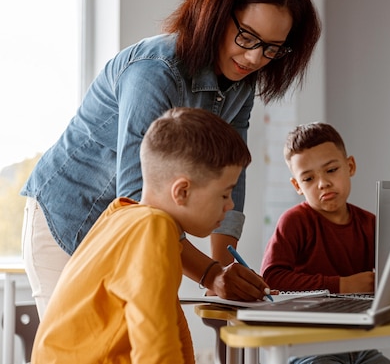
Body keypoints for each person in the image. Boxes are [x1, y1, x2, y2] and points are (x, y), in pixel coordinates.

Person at [20, 0, 321, 317]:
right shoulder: (154, 72)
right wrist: (211, 275)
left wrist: (227, 267)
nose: (255, 58)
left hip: (132, 231)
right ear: (214, 13)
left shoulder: (241, 82)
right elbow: (138, 203)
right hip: (69, 222)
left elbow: (231, 173)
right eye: (247, 37)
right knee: (78, 350)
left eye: (272, 48)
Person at [31, 107, 256, 363]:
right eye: (225, 195)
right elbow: (154, 342)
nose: (229, 206)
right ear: (182, 191)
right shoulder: (153, 228)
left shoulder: (122, 214)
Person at [261, 122, 390, 364]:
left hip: (359, 343)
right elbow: (271, 278)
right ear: (297, 186)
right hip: (307, 344)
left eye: (331, 170)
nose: (322, 183)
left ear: (350, 166)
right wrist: (342, 285)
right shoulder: (294, 222)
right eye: (309, 178)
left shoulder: (370, 224)